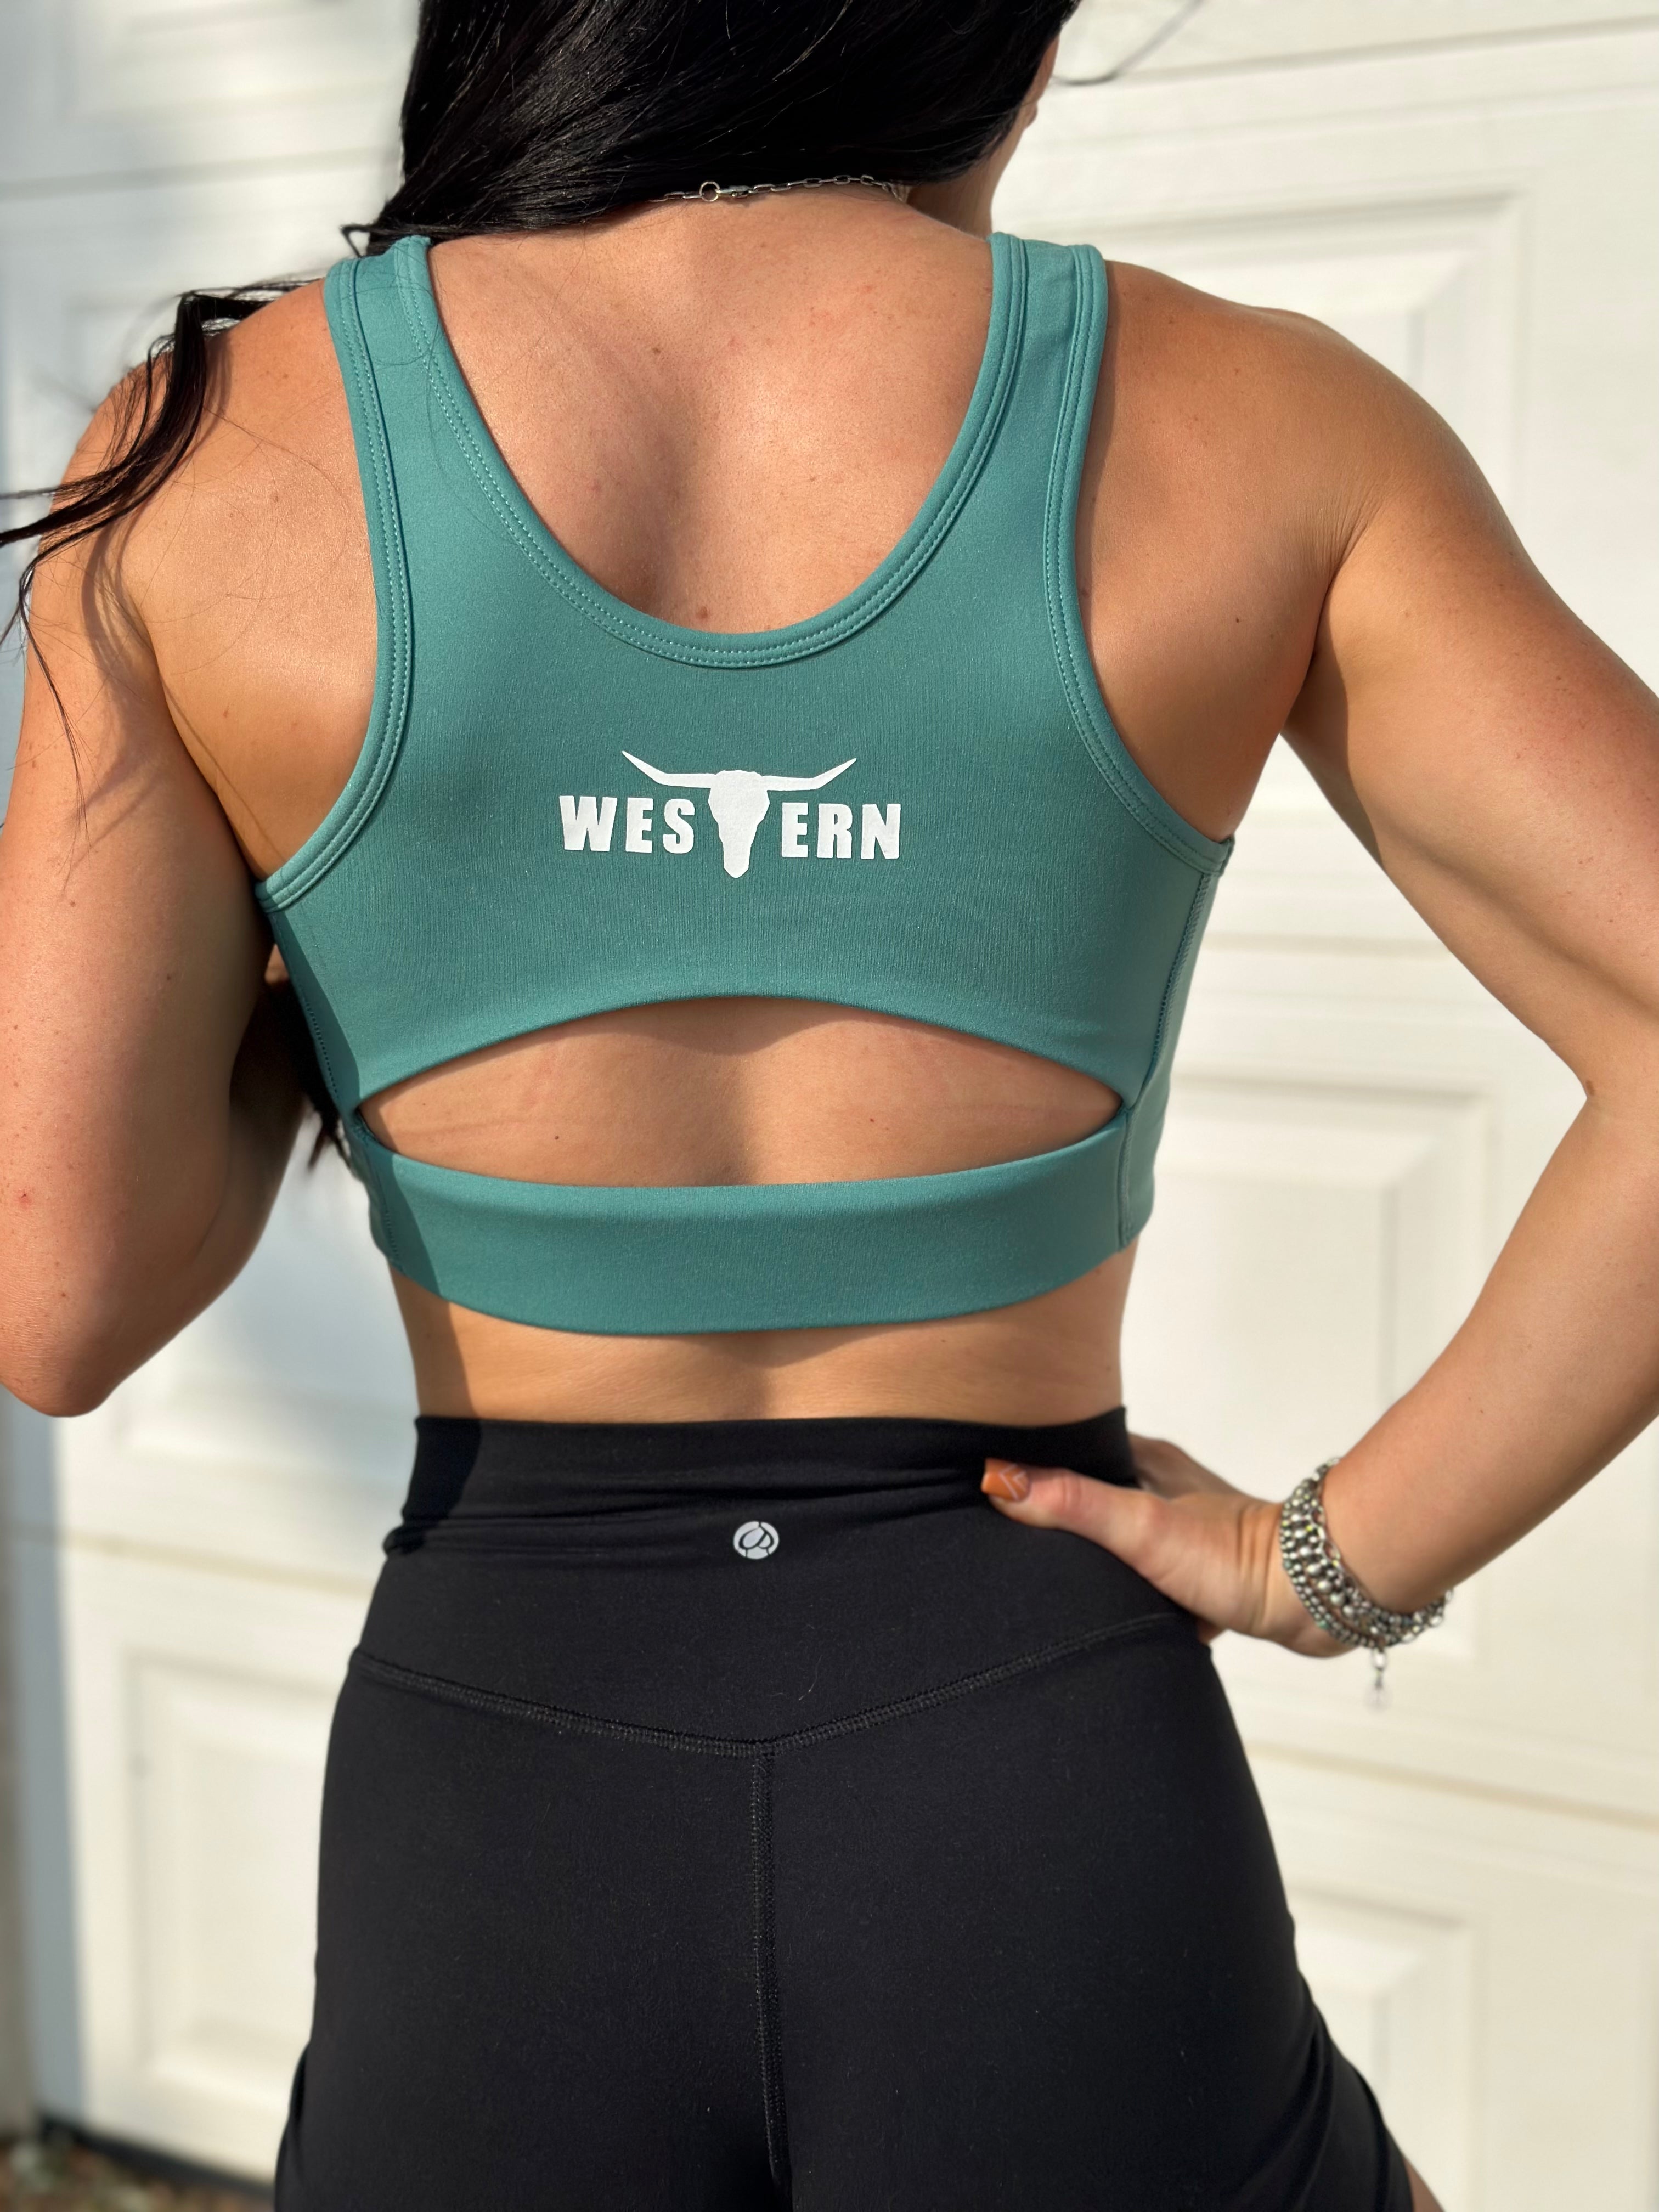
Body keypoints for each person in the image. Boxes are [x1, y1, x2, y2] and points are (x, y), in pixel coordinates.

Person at [2, 0, 1656, 2203]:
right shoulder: (1264, 423)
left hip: (500, 1814)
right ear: (1015, 43)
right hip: (1039, 1758)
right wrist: (1326, 1567)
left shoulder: (215, 451)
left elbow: (61, 1300)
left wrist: (351, 934)